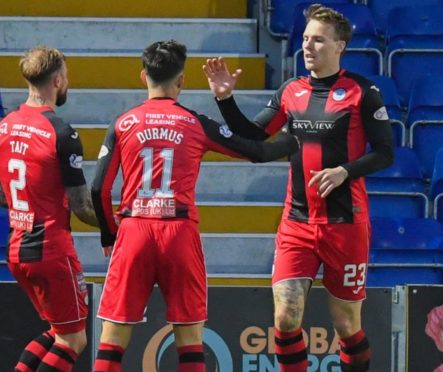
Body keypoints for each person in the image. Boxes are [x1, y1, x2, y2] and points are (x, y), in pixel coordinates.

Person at [202, 4, 393, 371]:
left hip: (346, 224)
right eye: (305, 39)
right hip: (298, 223)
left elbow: (385, 153)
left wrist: (344, 172)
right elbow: (253, 135)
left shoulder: (362, 92)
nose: (308, 46)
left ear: (340, 46)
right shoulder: (291, 91)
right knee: (286, 319)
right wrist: (225, 100)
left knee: (346, 325)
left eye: (318, 40)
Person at [90, 40, 300, 372]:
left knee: (113, 337)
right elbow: (256, 151)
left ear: (143, 76)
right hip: (179, 231)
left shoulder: (123, 123)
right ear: (182, 80)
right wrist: (293, 140)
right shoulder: (194, 123)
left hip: (134, 230)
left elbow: (99, 188)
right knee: (189, 339)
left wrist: (107, 234)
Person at [0, 46, 100, 372]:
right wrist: (115, 226)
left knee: (58, 332)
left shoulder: (0, 128)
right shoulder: (61, 132)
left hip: (17, 250)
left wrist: (27, 203)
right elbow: (82, 206)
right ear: (58, 80)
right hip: (51, 251)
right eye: (67, 77)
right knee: (74, 340)